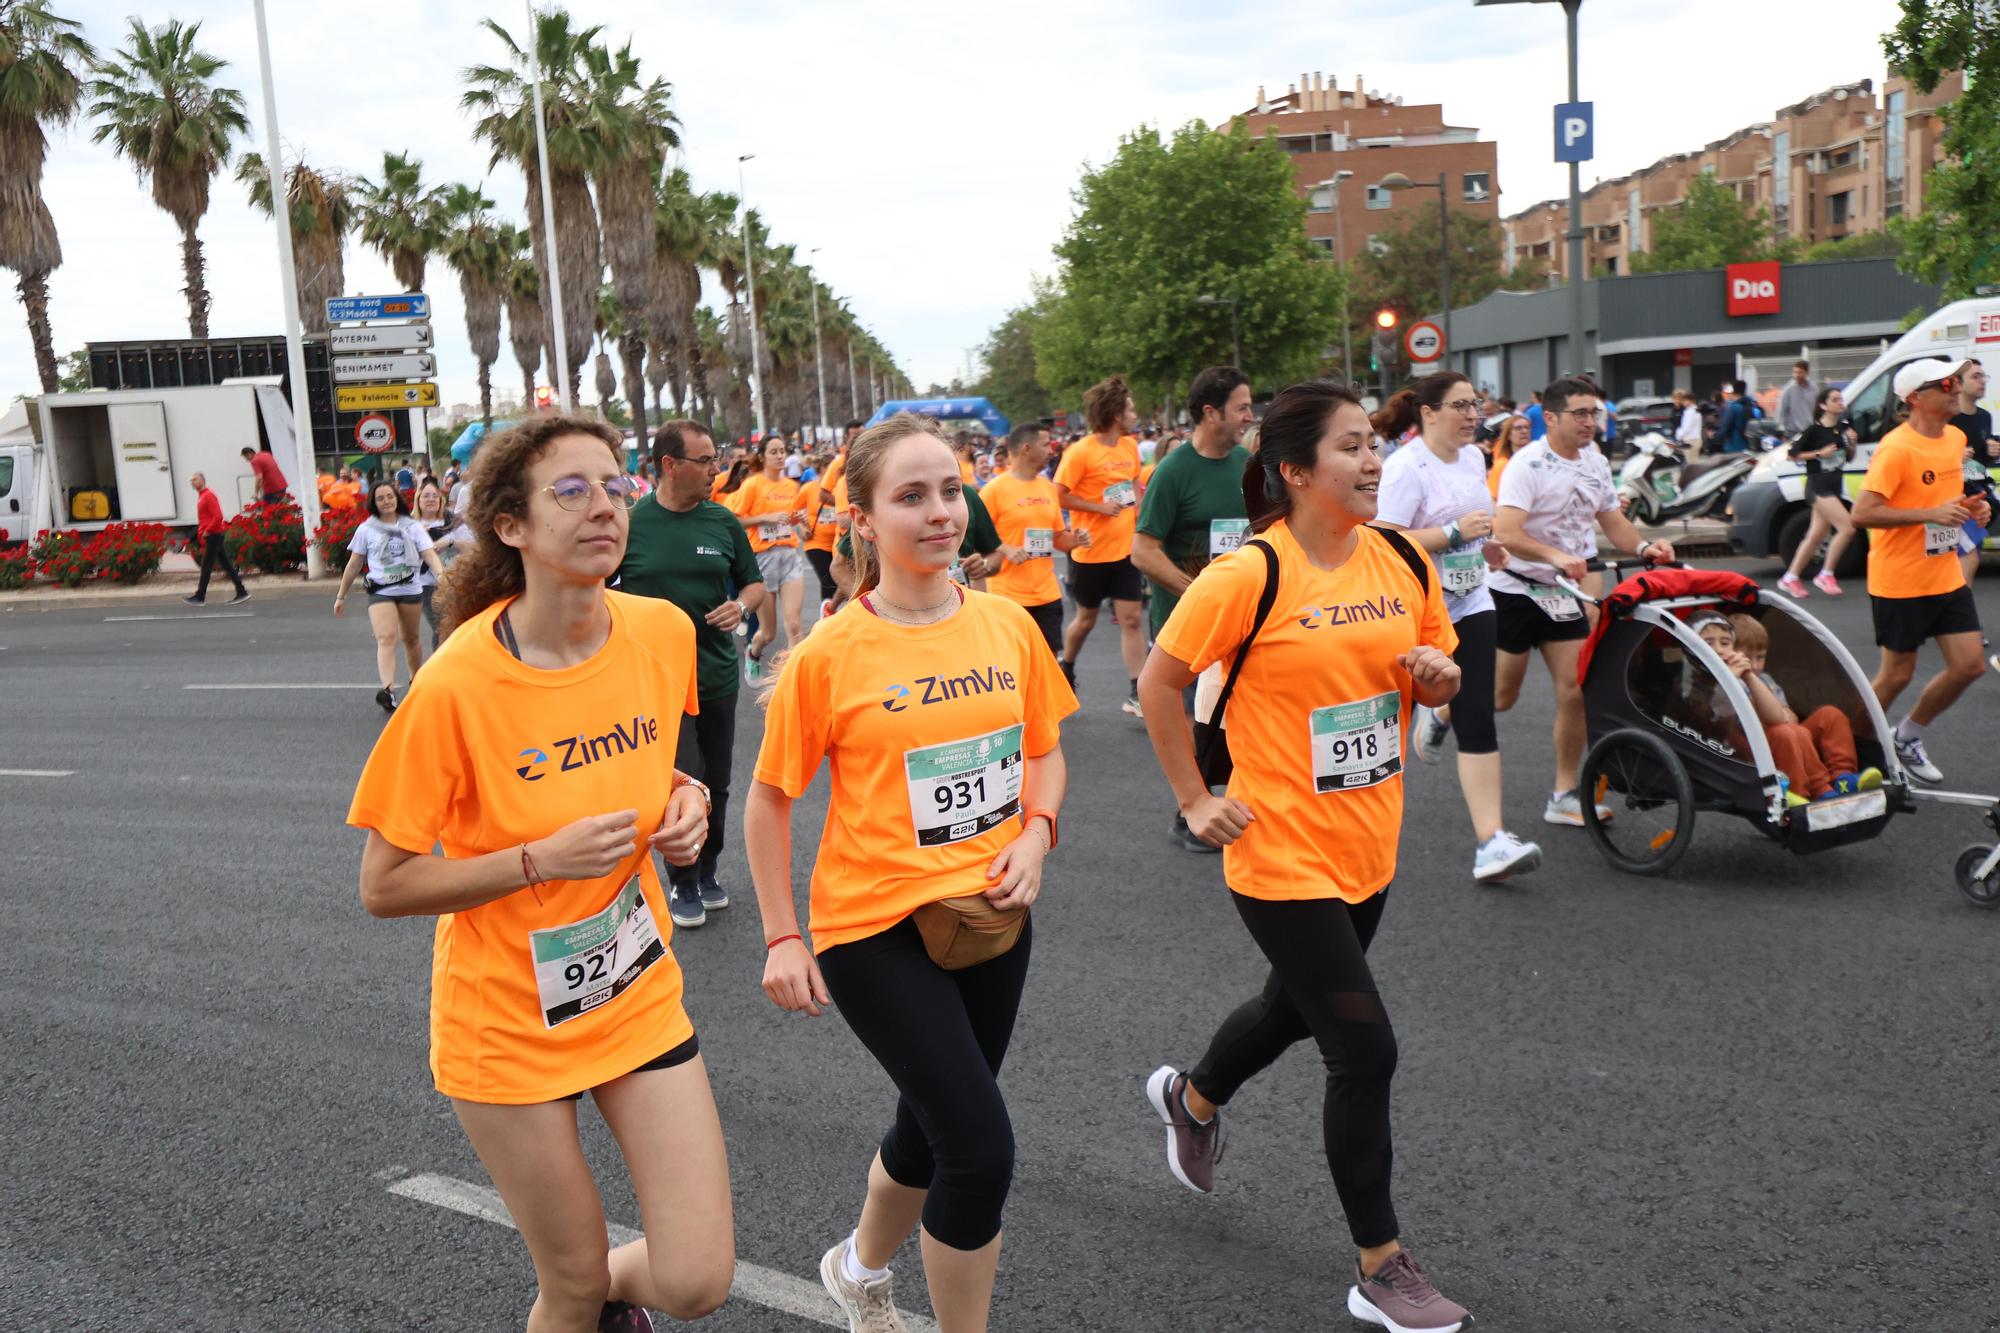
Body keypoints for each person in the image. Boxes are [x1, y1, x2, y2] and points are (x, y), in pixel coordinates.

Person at [349, 414, 733, 1333]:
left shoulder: (661, 631)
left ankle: (617, 1307)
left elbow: (651, 765)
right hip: (506, 1022)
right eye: (571, 490)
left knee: (696, 1280)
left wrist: (687, 805)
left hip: (633, 986)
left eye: (615, 485)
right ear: (510, 526)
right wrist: (536, 862)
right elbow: (383, 883)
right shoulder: (457, 684)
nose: (604, 506)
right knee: (568, 1280)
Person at [1134, 378, 1473, 1333]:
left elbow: (1435, 665)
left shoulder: (1402, 559)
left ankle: (1190, 1098)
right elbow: (1162, 684)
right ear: (1294, 471)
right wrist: (1195, 799)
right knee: (1363, 1047)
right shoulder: (1249, 574)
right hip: (1275, 849)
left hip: (1369, 842)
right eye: (1352, 446)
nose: (1374, 461)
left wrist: (1440, 679)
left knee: (1291, 1007)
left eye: (1375, 443)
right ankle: (1382, 1267)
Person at [746, 413, 1075, 1333]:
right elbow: (769, 800)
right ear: (861, 518)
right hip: (874, 927)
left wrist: (1036, 834)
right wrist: (782, 936)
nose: (940, 512)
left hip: (994, 911)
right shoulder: (830, 655)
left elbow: (1045, 751)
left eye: (949, 491)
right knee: (978, 1146)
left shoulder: (1008, 625)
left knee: (933, 1121)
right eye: (911, 496)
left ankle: (857, 1267)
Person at [1379, 372, 1543, 884]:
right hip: (1416, 612)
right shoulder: (1406, 468)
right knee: (1383, 719)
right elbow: (1381, 542)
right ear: (1427, 412)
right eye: (1460, 405)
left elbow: (1476, 529)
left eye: (1476, 404)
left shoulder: (1474, 458)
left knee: (1479, 715)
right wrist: (1450, 534)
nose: (1473, 414)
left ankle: (1491, 842)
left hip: (1472, 601)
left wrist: (1484, 548)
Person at [1493, 376, 1675, 826]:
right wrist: (1555, 556)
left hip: (1565, 592)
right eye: (1580, 414)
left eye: (1595, 413)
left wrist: (1644, 549)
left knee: (1574, 690)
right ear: (1550, 418)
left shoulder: (1594, 462)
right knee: (1501, 698)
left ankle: (1563, 794)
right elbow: (1507, 533)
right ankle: (1443, 709)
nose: (1591, 422)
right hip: (1516, 589)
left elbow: (1611, 521)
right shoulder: (1526, 465)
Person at [619, 419, 772, 931]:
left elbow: (754, 586)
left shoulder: (722, 522)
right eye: (705, 460)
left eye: (715, 457)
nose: (716, 468)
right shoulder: (630, 525)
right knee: (682, 780)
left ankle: (708, 869)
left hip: (715, 674)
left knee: (720, 781)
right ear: (669, 465)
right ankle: (682, 880)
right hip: (656, 683)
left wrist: (738, 606)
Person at [1130, 366, 1255, 853]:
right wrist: (1195, 590)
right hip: (1185, 622)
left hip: (1246, 618)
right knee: (1192, 721)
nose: (1249, 415)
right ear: (1210, 412)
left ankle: (1230, 802)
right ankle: (1190, 811)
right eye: (1241, 407)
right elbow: (1143, 550)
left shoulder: (1247, 463)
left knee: (1235, 716)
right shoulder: (1173, 471)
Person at [1851, 358, 1991, 784]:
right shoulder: (1897, 448)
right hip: (1900, 580)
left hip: (1944, 574)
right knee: (1897, 675)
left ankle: (1906, 736)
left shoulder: (1955, 438)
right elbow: (1862, 512)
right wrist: (1931, 512)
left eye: (1956, 380)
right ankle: (1846, 749)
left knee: (1970, 666)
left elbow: (1946, 500)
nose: (1956, 388)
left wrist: (1972, 508)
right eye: (1946, 382)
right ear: (1915, 398)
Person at [1054, 374, 1147, 714]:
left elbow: (1134, 488)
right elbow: (1058, 497)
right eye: (1131, 409)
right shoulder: (1080, 452)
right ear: (1116, 414)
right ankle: (1067, 664)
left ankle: (1137, 689)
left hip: (1125, 550)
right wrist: (1098, 508)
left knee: (1132, 619)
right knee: (1086, 620)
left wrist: (1142, 524)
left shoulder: (1130, 446)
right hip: (1091, 554)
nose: (1135, 414)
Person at [1713, 613, 1882, 798]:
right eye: (1747, 658)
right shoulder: (1724, 685)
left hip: (1788, 737)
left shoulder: (1765, 680)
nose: (1754, 665)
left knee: (1830, 715)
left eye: (1760, 657)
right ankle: (1812, 791)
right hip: (1755, 753)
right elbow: (1735, 727)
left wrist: (1785, 715)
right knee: (1787, 733)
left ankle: (1843, 777)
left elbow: (1788, 715)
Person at [335, 479, 446, 714]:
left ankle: (416, 684)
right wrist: (341, 595)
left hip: (410, 589)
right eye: (381, 498)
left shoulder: (412, 527)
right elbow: (355, 563)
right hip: (381, 590)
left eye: (390, 497)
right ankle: (388, 690)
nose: (386, 501)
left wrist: (442, 576)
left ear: (397, 499)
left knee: (412, 639)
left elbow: (428, 554)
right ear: (373, 503)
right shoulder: (366, 529)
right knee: (386, 637)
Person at [981, 423, 1080, 658]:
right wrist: (1006, 548)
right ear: (1027, 448)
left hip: (1047, 594)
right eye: (1045, 444)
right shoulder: (994, 491)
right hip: (1008, 597)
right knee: (1014, 665)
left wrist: (1075, 539)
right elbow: (976, 539)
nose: (1051, 450)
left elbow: (1059, 540)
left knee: (1048, 663)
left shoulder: (1047, 488)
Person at [727, 438, 805, 682]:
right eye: (774, 452)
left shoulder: (792, 486)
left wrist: (799, 520)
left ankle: (794, 684)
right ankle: (753, 651)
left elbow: (790, 522)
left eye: (782, 451)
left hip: (790, 555)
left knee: (794, 627)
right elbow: (734, 521)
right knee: (768, 633)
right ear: (762, 457)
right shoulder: (752, 485)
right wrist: (765, 518)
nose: (780, 456)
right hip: (763, 559)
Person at [1777, 387, 1859, 599]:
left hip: (1834, 484)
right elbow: (1791, 455)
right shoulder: (1813, 430)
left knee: (1816, 536)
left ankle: (1791, 577)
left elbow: (1848, 458)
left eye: (1841, 399)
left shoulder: (1844, 428)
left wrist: (1853, 443)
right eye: (1835, 399)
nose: (1840, 402)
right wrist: (1818, 453)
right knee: (1848, 528)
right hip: (1818, 486)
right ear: (1823, 405)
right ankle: (1826, 574)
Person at [1950, 359, 1996, 589]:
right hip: (1954, 497)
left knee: (1968, 556)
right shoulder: (1948, 418)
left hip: (1977, 497)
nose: (1982, 381)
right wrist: (1955, 458)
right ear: (1959, 382)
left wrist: (1991, 452)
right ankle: (1959, 615)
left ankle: (1955, 613)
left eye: (1983, 376)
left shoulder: (1984, 417)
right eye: (1975, 376)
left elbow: (1981, 461)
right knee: (1969, 557)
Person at [413, 478, 469, 651]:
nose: (431, 499)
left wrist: (450, 542)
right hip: (426, 585)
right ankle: (440, 668)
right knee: (441, 626)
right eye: (426, 496)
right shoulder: (409, 525)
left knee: (456, 626)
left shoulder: (453, 522)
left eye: (435, 496)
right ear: (418, 500)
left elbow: (474, 547)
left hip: (453, 581)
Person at [182, 472, 250, 607]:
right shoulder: (202, 496)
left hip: (214, 535)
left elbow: (218, 516)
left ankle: (200, 596)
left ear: (202, 480)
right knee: (226, 564)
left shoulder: (208, 495)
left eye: (195, 480)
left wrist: (207, 530)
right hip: (213, 535)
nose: (192, 482)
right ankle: (241, 591)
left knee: (206, 565)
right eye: (191, 480)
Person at [793, 462, 842, 615]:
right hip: (816, 543)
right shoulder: (809, 488)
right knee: (828, 580)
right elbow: (794, 511)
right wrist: (801, 528)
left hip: (838, 543)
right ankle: (826, 614)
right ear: (822, 470)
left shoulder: (841, 487)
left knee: (839, 582)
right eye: (831, 470)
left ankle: (832, 614)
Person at [1485, 413, 1530, 500]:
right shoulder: (1502, 464)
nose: (1524, 431)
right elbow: (1492, 499)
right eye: (1518, 428)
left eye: (1527, 427)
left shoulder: (1535, 460)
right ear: (1508, 435)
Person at [1777, 360, 1817, 437]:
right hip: (1792, 431)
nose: (1797, 375)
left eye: (1800, 372)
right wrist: (1781, 428)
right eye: (1795, 372)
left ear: (1807, 373)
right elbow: (1782, 410)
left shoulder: (1814, 389)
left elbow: (1816, 408)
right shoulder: (1788, 389)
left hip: (1809, 430)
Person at [1716, 380, 1754, 454]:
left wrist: (1716, 437)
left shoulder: (1733, 408)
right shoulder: (1754, 406)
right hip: (1749, 447)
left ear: (1734, 393)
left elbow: (1725, 428)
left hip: (1733, 448)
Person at [1672, 389, 1704, 459]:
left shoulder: (1689, 412)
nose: (1683, 403)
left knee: (1691, 463)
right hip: (1696, 439)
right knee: (1694, 461)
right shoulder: (1696, 410)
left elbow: (1686, 428)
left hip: (1690, 440)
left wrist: (1678, 436)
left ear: (1690, 401)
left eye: (1684, 400)